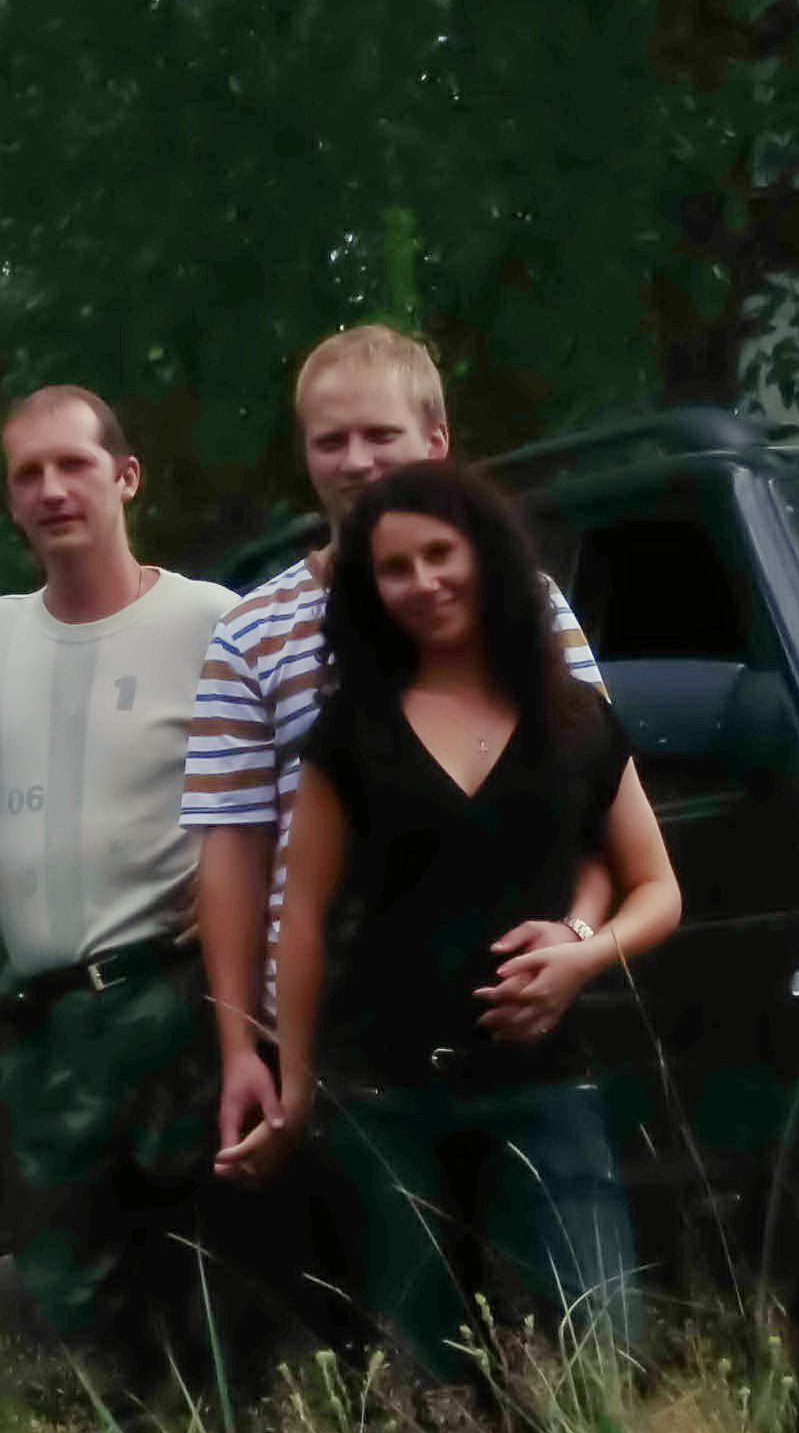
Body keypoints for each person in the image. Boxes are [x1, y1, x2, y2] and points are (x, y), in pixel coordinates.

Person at [245, 462, 682, 1383]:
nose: (423, 581)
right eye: (394, 567)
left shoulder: (574, 718)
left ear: (486, 555)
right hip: (386, 1097)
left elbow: (657, 887)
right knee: (420, 1381)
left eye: (440, 554)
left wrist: (581, 953)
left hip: (546, 1085)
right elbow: (303, 917)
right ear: (370, 589)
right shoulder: (348, 731)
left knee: (597, 1357)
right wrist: (295, 1085)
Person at [0, 386, 251, 1395]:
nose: (50, 490)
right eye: (27, 474)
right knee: (70, 1332)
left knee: (216, 1306)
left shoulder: (212, 621)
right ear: (10, 501)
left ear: (124, 476)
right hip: (49, 1033)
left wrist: (265, 880)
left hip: (184, 1008)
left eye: (72, 465)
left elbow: (324, 778)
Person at [184, 324, 604, 1175]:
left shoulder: (525, 604)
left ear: (436, 440)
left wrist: (577, 934)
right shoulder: (250, 632)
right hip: (336, 1049)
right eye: (330, 440)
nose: (356, 461)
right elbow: (231, 853)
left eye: (380, 434)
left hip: (522, 1027)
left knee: (571, 1265)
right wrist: (241, 1047)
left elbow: (595, 806)